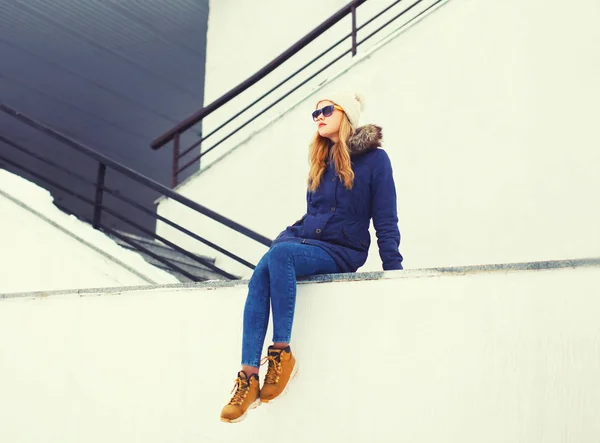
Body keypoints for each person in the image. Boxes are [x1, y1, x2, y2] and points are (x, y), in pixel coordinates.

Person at [220, 92, 403, 423]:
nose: (319, 116)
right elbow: (313, 215)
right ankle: (247, 376)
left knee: (282, 255)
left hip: (343, 251)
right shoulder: (321, 159)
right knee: (265, 265)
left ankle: (281, 354)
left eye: (327, 110)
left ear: (346, 114)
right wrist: (283, 239)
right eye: (315, 112)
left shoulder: (376, 160)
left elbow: (386, 218)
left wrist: (394, 271)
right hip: (307, 242)